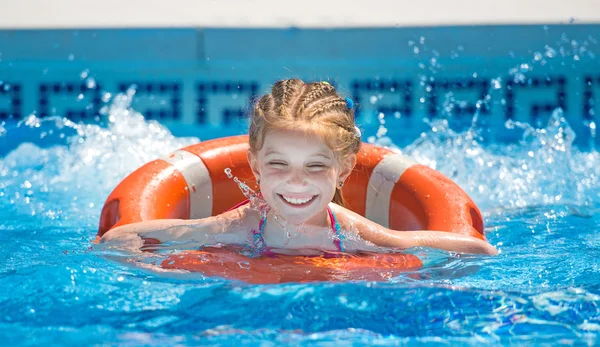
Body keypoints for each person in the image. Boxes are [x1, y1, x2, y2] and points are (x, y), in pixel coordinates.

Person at [100, 79, 497, 256]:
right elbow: (126, 236)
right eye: (278, 164)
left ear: (343, 170)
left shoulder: (351, 230)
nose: (295, 181)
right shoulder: (238, 225)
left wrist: (475, 253)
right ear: (254, 164)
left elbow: (447, 246)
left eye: (315, 166)